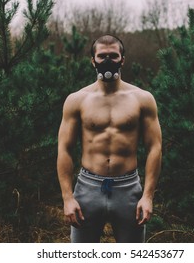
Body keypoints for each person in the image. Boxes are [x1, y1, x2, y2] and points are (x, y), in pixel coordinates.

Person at [57, 34, 162, 243]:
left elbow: (155, 147)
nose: (107, 61)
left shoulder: (142, 99)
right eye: (102, 56)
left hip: (128, 189)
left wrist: (147, 196)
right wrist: (68, 197)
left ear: (122, 59)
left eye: (113, 56)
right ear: (93, 60)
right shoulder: (77, 100)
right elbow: (64, 149)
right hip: (88, 188)